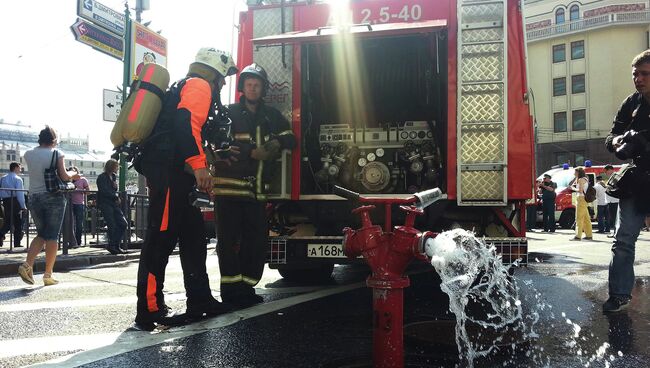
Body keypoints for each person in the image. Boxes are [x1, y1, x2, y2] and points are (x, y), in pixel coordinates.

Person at [134, 47, 238, 330]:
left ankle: (200, 299)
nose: (224, 83)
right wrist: (198, 165)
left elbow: (186, 130)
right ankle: (149, 309)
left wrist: (208, 158)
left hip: (176, 173)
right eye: (223, 77)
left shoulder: (187, 85)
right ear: (213, 73)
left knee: (193, 237)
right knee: (160, 237)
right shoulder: (199, 85)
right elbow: (185, 123)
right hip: (169, 172)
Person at [213, 63, 296, 308]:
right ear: (242, 87)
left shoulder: (271, 116)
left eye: (257, 84)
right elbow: (215, 144)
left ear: (263, 89)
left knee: (255, 243)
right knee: (227, 243)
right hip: (228, 191)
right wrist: (251, 151)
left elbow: (291, 138)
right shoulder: (227, 113)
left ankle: (247, 289)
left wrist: (272, 146)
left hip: (257, 193)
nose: (253, 88)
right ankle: (230, 292)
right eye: (249, 84)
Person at [603, 50, 650, 312]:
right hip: (637, 179)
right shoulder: (631, 103)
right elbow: (610, 136)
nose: (639, 79)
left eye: (645, 74)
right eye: (635, 74)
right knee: (623, 240)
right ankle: (619, 294)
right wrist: (618, 142)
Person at [17, 126, 79, 286]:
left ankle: (35, 269)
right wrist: (74, 174)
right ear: (54, 140)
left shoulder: (28, 154)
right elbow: (64, 176)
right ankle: (42, 272)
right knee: (51, 236)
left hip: (33, 197)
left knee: (43, 233)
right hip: (53, 198)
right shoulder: (57, 153)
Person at [97, 159, 128, 255]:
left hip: (113, 203)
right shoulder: (102, 177)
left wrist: (115, 187)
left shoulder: (113, 176)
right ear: (111, 167)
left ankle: (114, 245)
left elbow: (112, 189)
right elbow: (104, 191)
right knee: (112, 224)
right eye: (116, 166)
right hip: (106, 203)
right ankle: (113, 246)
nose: (117, 168)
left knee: (123, 223)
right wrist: (115, 196)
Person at [0, 162, 27, 248]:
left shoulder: (3, 178)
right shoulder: (18, 179)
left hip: (5, 201)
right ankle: (16, 243)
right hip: (15, 201)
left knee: (8, 220)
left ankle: (2, 235)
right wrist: (23, 206)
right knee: (17, 222)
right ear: (15, 168)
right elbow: (20, 194)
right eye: (19, 168)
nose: (20, 169)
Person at [570, 166, 592, 241]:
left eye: (575, 172)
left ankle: (578, 236)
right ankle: (589, 235)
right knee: (586, 218)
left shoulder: (580, 179)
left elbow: (580, 190)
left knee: (579, 218)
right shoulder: (585, 178)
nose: (574, 173)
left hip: (581, 199)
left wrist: (572, 188)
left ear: (578, 172)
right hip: (584, 199)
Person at [69, 166, 89, 247]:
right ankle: (72, 241)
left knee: (79, 224)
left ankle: (78, 241)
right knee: (70, 223)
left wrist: (79, 190)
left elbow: (88, 192)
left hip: (79, 204)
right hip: (70, 204)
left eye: (73, 171)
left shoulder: (83, 179)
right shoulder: (68, 180)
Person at [604, 164, 619, 237]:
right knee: (613, 218)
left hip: (614, 201)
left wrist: (606, 186)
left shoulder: (615, 176)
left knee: (615, 218)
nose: (605, 173)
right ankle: (615, 233)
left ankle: (616, 233)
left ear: (610, 169)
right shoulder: (612, 176)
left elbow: (615, 187)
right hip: (611, 201)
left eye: (606, 171)